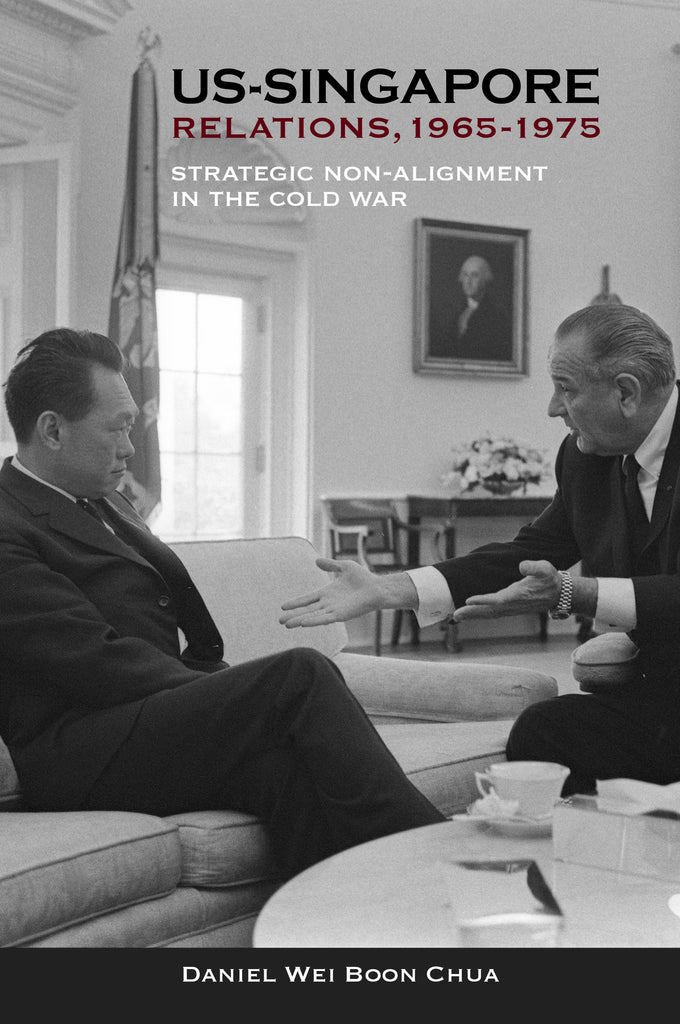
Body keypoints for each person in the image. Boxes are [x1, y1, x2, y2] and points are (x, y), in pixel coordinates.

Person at [0, 327, 445, 882]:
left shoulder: (102, 500)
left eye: (132, 427)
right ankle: (440, 862)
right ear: (52, 430)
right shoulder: (7, 523)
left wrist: (222, 693)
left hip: (141, 724)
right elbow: (94, 660)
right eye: (117, 428)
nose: (130, 448)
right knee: (299, 676)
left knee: (285, 771)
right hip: (78, 752)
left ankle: (337, 919)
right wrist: (227, 693)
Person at [281, 303, 680, 797]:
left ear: (626, 392)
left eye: (566, 389)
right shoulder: (586, 458)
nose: (553, 408)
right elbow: (530, 550)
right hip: (662, 697)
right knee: (542, 733)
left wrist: (577, 593)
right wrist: (389, 589)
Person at [449, 254, 512, 361]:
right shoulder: (457, 313)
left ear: (485, 280)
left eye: (474, 275)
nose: (468, 281)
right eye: (465, 275)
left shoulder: (496, 317)